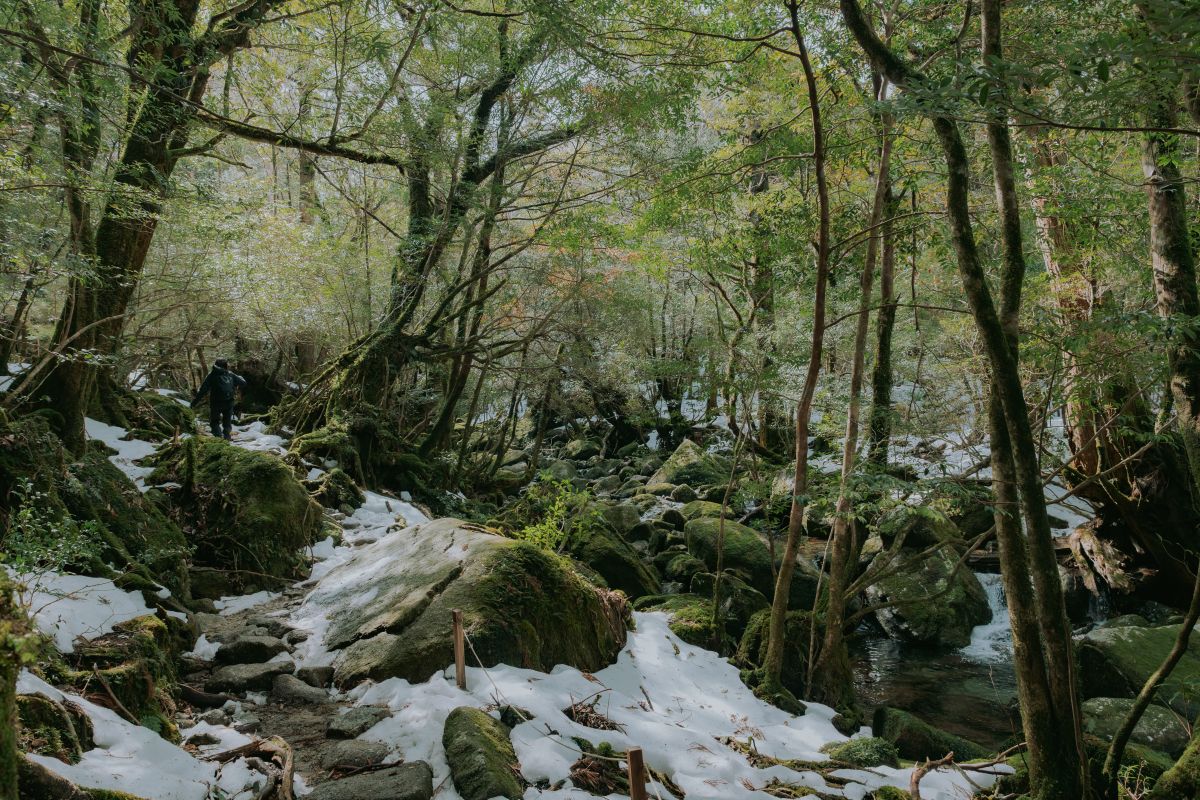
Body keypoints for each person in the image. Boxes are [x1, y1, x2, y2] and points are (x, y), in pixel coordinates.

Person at [193, 358, 247, 440]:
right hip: (229, 402)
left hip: (216, 403)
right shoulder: (230, 374)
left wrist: (194, 403)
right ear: (225, 365)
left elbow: (203, 390)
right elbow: (243, 383)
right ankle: (227, 439)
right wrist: (239, 378)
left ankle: (218, 438)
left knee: (214, 422)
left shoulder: (212, 375)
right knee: (227, 423)